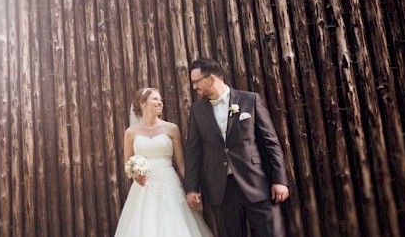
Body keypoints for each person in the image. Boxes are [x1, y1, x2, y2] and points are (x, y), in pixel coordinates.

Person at [184, 58, 289, 237]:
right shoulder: (196, 111)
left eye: (196, 81)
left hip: (256, 183)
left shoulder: (250, 100)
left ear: (211, 79)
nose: (194, 87)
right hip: (221, 190)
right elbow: (193, 152)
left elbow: (270, 143)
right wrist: (192, 188)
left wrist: (279, 180)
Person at [112, 87, 214, 237]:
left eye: (160, 100)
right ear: (142, 103)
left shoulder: (172, 129)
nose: (160, 102)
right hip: (143, 187)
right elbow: (128, 163)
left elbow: (181, 164)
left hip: (169, 183)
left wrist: (192, 188)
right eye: (155, 99)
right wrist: (136, 176)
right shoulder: (131, 132)